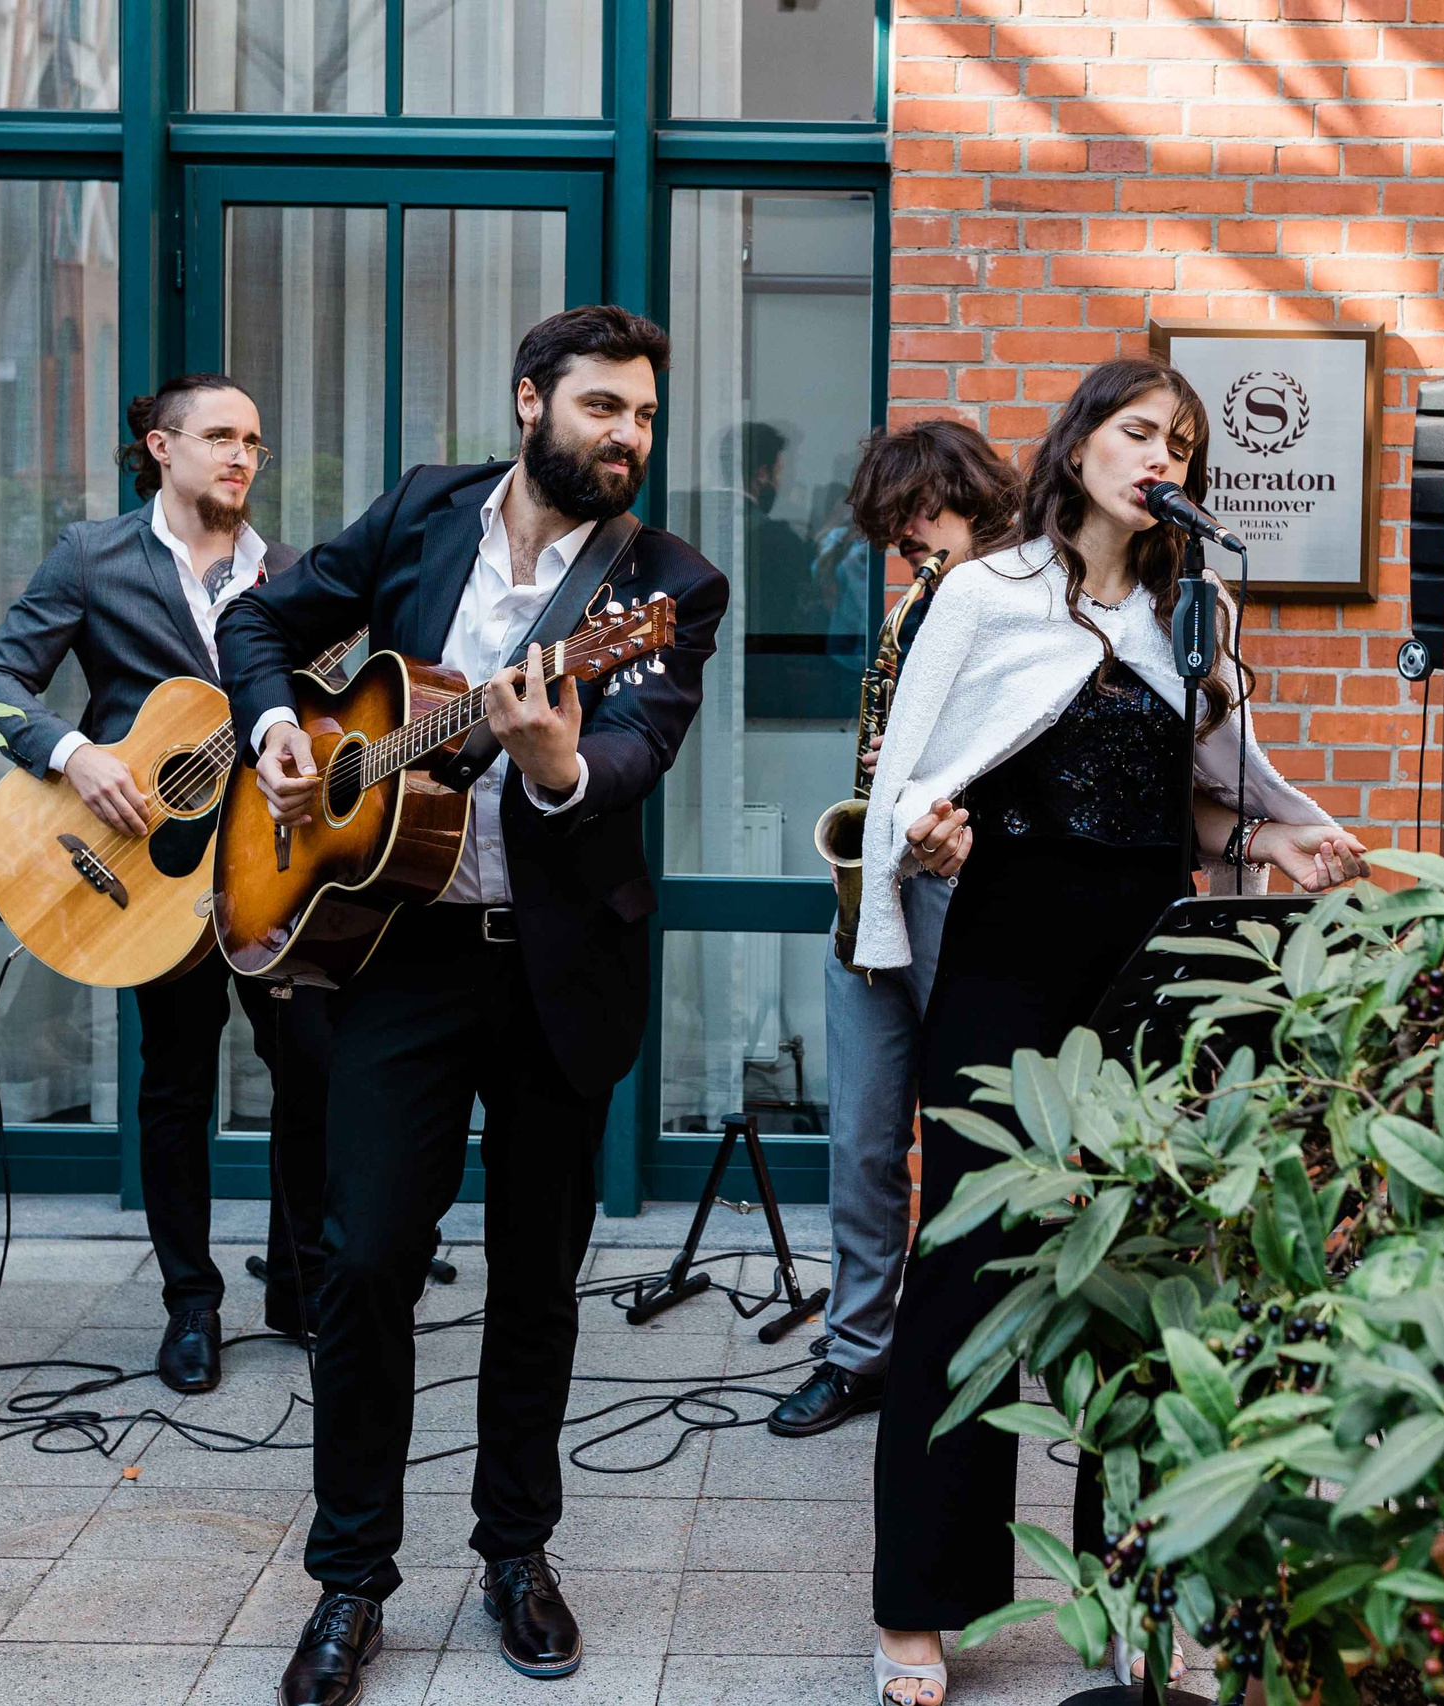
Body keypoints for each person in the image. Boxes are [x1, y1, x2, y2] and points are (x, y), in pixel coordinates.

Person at [217, 306, 727, 1705]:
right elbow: (261, 617)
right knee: (367, 1259)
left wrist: (557, 762)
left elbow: (633, 754)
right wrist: (278, 729)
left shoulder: (669, 586)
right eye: (602, 409)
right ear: (529, 402)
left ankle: (516, 1550)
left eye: (642, 416)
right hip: (405, 950)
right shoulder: (421, 511)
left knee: (536, 1281)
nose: (627, 437)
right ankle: (350, 1576)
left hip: (561, 967)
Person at [851, 358, 1371, 1706]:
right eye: (1139, 429)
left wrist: (1282, 832)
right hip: (1012, 961)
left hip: (1157, 968)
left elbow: (1203, 804)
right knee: (968, 1277)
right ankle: (921, 1599)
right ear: (1078, 442)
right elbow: (914, 776)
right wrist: (928, 835)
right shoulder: (984, 591)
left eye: (1183, 442)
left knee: (1152, 1284)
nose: (1163, 454)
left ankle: (1139, 1588)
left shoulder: (1193, 612)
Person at [0, 373, 332, 1396]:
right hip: (139, 869)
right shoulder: (93, 555)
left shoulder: (294, 574)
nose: (240, 456)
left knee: (311, 1064)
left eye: (254, 440)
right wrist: (73, 753)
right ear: (160, 448)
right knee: (174, 1085)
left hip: (267, 865)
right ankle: (191, 1305)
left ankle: (302, 1285)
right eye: (219, 435)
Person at [769, 421, 1022, 1440]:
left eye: (924, 517)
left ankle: (982, 1347)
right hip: (877, 889)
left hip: (966, 894)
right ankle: (858, 1348)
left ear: (971, 494)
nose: (910, 542)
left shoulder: (1022, 605)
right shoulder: (918, 604)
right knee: (863, 1136)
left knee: (978, 1137)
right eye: (896, 529)